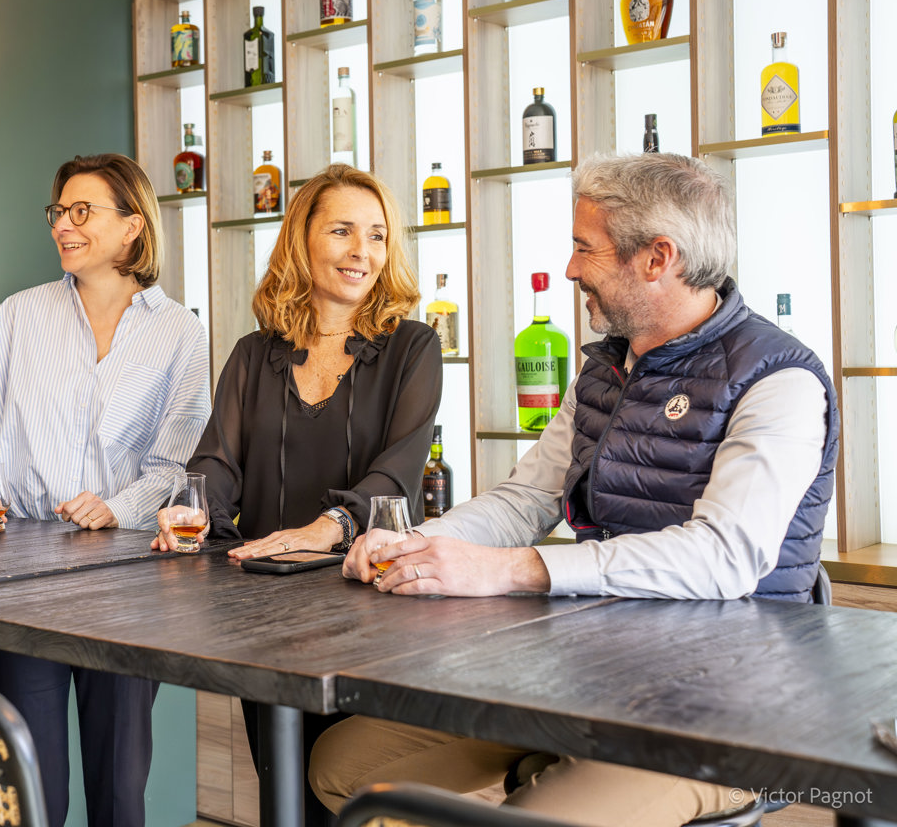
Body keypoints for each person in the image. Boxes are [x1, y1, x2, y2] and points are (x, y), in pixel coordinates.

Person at [309, 152, 839, 827]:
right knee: (344, 769)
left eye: (585, 248)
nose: (569, 269)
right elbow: (525, 499)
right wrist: (417, 544)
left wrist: (510, 571)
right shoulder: (607, 370)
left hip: (727, 710)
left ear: (657, 258)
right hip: (598, 675)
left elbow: (725, 556)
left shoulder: (779, 380)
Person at [153, 163, 442, 824]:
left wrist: (326, 527)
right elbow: (216, 463)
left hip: (369, 605)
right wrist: (188, 510)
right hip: (264, 614)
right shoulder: (254, 355)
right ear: (300, 239)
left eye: (376, 235)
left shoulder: (412, 348)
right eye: (342, 231)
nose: (362, 251)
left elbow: (398, 472)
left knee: (355, 799)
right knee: (283, 794)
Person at [0, 152, 210, 827]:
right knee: (31, 794)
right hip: (17, 576)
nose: (63, 225)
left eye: (82, 211)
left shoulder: (180, 331)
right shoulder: (19, 316)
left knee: (119, 791)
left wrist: (115, 509)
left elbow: (177, 465)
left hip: (129, 580)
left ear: (133, 226)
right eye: (59, 212)